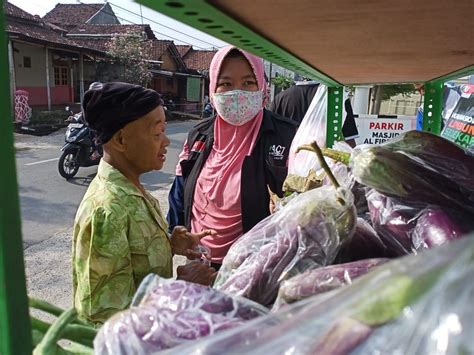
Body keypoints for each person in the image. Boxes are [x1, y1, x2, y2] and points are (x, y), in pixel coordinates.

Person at [72, 82, 216, 325]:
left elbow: (133, 260)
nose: (166, 141)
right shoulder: (107, 210)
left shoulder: (133, 188)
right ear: (120, 140)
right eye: (157, 133)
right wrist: (181, 288)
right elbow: (102, 317)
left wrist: (169, 244)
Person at [167, 46, 297, 270]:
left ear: (262, 87)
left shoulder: (285, 136)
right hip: (200, 262)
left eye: (248, 83)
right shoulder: (198, 134)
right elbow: (180, 190)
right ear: (213, 90)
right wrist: (176, 232)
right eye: (226, 84)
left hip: (254, 266)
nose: (237, 93)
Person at [269, 80, 359, 147]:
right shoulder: (338, 97)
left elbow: (270, 138)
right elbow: (350, 141)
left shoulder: (280, 99)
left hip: (289, 165)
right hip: (325, 166)